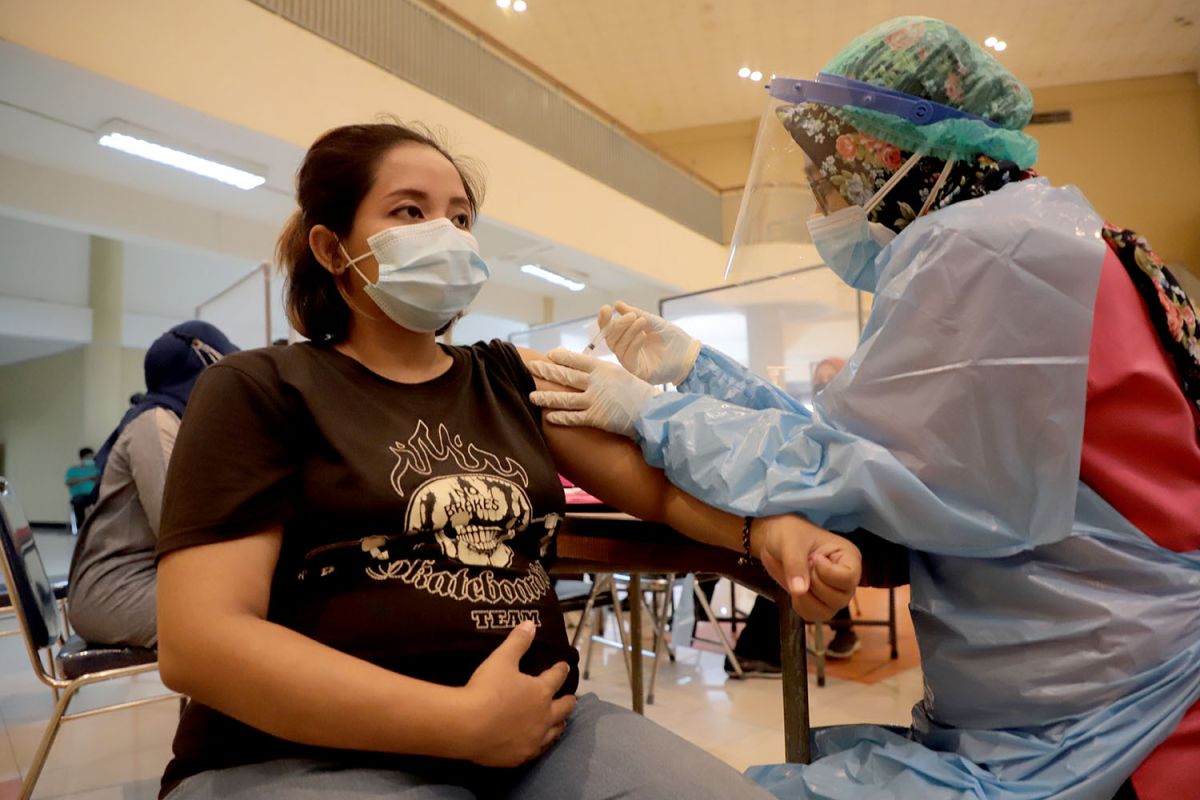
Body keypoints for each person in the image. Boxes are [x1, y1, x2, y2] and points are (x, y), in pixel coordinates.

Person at [528, 16, 1200, 800]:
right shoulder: (1030, 235)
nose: (824, 200)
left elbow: (857, 478)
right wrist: (699, 371)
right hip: (1081, 679)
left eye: (831, 174)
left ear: (898, 154)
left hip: (1110, 710)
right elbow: (867, 445)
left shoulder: (986, 251)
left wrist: (651, 414)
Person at [152, 121, 862, 800]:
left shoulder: (506, 378)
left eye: (459, 219)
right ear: (333, 249)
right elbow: (202, 642)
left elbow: (661, 494)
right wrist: (457, 723)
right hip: (308, 752)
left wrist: (767, 532)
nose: (446, 235)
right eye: (410, 211)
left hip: (539, 735)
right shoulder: (258, 389)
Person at [67, 322, 237, 648]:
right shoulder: (155, 422)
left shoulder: (170, 421)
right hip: (115, 591)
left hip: (143, 582)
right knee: (252, 612)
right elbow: (180, 527)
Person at [64, 447, 100, 533]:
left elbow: (102, 480)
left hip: (95, 494)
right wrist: (87, 478)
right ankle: (82, 526)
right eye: (88, 457)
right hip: (80, 496)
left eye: (92, 457)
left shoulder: (96, 469)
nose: (91, 459)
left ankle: (98, 527)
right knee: (77, 501)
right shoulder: (73, 470)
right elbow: (69, 482)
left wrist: (97, 479)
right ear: (82, 458)